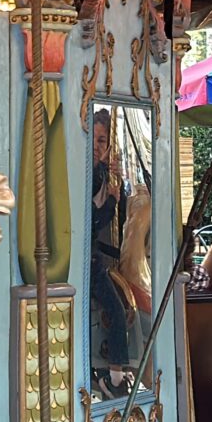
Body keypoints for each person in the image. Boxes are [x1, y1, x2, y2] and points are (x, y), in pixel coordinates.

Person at [90, 108, 132, 398]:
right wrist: (111, 203)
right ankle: (115, 380)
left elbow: (123, 215)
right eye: (92, 138)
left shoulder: (101, 173)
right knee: (117, 310)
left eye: (103, 141)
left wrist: (120, 194)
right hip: (86, 260)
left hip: (95, 254)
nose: (96, 145)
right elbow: (93, 220)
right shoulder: (89, 176)